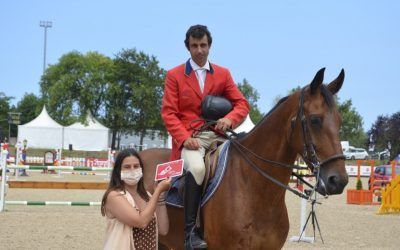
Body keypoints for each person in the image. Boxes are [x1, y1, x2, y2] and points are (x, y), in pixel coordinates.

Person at [161, 24, 250, 249]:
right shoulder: (174, 75)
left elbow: (242, 103)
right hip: (192, 139)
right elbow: (169, 113)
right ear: (188, 48)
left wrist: (230, 119)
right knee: (198, 169)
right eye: (194, 46)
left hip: (219, 135)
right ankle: (190, 232)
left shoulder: (223, 73)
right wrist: (183, 138)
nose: (199, 50)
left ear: (209, 46)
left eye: (203, 45)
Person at [101, 148, 172, 250]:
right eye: (127, 167)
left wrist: (160, 198)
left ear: (141, 169)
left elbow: (163, 230)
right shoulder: (114, 196)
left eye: (136, 166)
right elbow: (141, 222)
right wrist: (158, 191)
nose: (132, 170)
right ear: (118, 171)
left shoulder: (147, 196)